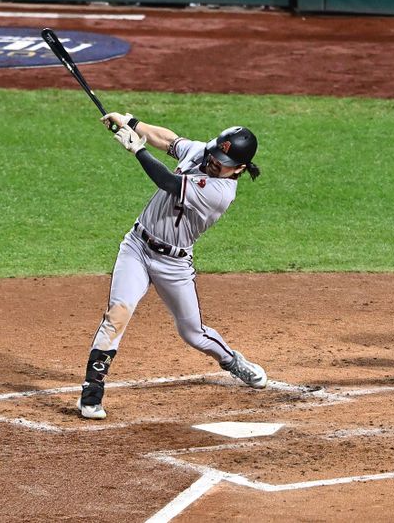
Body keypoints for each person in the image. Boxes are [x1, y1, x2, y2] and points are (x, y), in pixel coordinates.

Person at [77, 112, 268, 420]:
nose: (214, 162)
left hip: (173, 264)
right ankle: (92, 391)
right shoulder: (203, 152)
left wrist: (137, 149)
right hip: (137, 247)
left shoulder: (220, 193)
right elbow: (168, 140)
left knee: (193, 333)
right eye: (216, 154)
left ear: (240, 169)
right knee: (117, 314)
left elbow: (167, 181)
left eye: (223, 162)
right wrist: (132, 123)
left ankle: (232, 361)